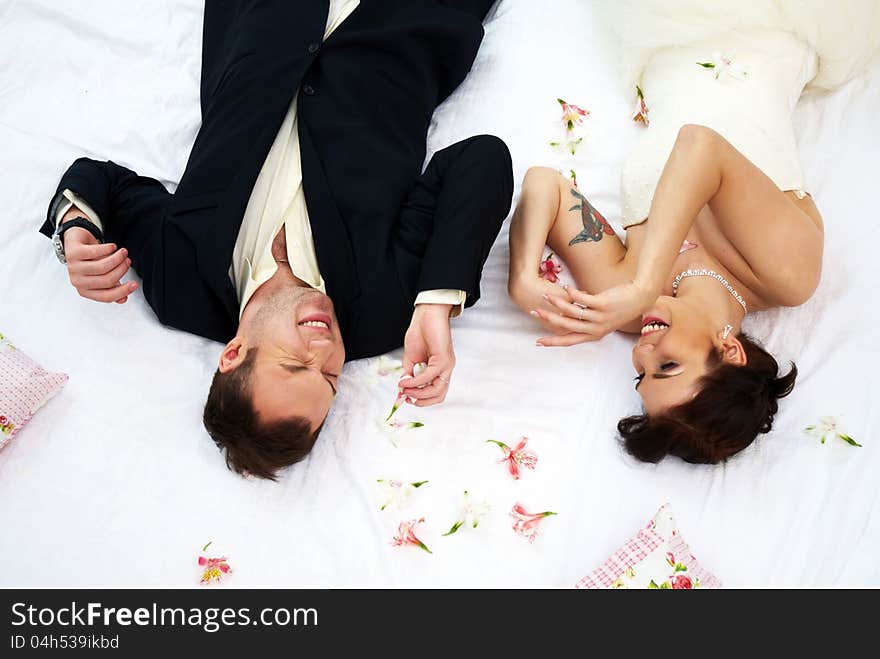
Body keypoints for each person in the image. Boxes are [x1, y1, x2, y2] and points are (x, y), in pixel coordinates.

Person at [39, 0, 513, 479]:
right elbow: (482, 160)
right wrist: (436, 301)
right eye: (329, 377)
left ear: (233, 354)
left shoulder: (179, 283)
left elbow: (104, 182)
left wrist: (75, 227)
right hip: (405, 19)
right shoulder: (383, 311)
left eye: (293, 364)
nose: (324, 351)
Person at [508, 0, 880, 463]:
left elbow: (546, 184)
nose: (642, 354)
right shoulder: (786, 276)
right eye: (666, 366)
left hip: (655, 31)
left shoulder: (622, 298)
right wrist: (644, 285)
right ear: (729, 351)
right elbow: (700, 145)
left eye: (639, 378)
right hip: (767, 18)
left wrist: (524, 279)